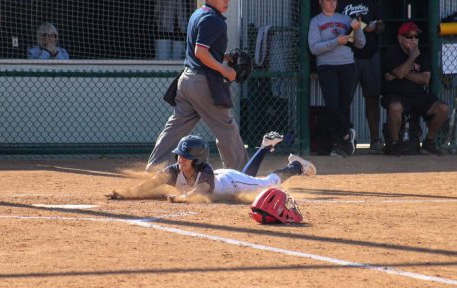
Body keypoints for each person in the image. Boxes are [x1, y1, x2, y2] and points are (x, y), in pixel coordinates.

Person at [146, 0, 249, 172]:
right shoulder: (214, 20)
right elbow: (200, 52)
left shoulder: (198, 13)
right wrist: (224, 70)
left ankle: (155, 171)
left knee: (176, 128)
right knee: (226, 128)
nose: (227, 1)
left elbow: (201, 50)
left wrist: (224, 57)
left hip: (186, 80)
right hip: (204, 83)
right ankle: (243, 175)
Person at [106, 132, 316, 203]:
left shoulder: (204, 172)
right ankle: (265, 146)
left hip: (232, 182)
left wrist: (182, 198)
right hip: (228, 178)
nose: (181, 160)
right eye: (180, 155)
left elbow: (200, 193)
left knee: (267, 184)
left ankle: (296, 166)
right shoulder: (173, 171)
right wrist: (127, 194)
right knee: (250, 178)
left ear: (197, 160)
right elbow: (151, 184)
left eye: (186, 157)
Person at [381, 22, 449, 156]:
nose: (413, 40)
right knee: (395, 107)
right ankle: (394, 144)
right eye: (409, 36)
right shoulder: (393, 52)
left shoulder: (422, 54)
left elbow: (424, 79)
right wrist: (412, 57)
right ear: (400, 38)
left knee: (443, 108)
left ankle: (428, 142)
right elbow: (399, 73)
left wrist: (398, 74)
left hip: (418, 95)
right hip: (396, 94)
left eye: (416, 37)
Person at [308, 0, 366, 157]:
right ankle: (347, 135)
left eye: (334, 0)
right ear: (320, 2)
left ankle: (342, 147)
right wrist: (336, 42)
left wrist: (357, 29)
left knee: (344, 106)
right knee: (332, 106)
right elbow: (314, 48)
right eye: (328, 0)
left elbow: (361, 44)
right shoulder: (316, 21)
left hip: (347, 65)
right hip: (326, 66)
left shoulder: (346, 19)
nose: (332, 3)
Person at [338, 0, 385, 154]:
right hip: (347, 56)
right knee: (345, 99)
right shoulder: (338, 3)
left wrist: (375, 27)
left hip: (370, 55)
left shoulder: (373, 2)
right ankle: (346, 139)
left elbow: (381, 25)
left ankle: (375, 139)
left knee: (372, 98)